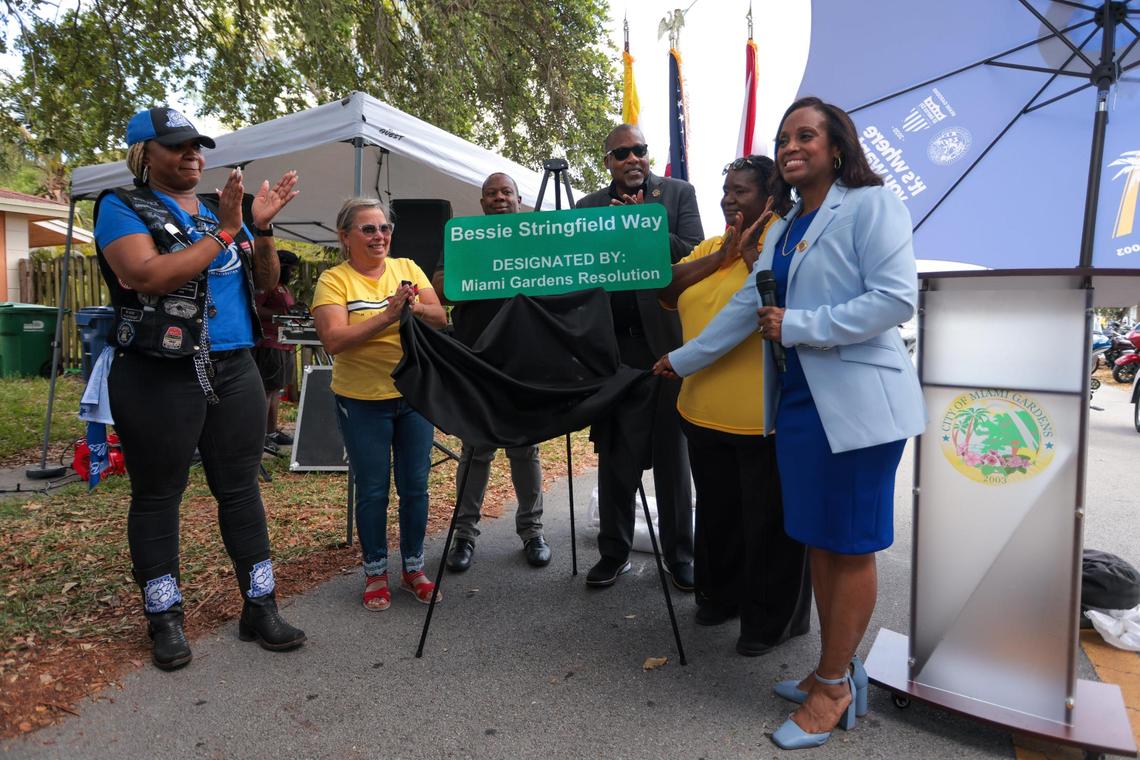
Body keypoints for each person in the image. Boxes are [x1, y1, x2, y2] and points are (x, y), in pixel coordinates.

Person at [655, 97, 925, 749]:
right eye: (784, 138)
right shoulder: (786, 226)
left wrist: (802, 326)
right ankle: (835, 670)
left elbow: (894, 299)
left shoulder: (872, 204)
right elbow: (746, 307)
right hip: (801, 404)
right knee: (820, 542)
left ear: (837, 148)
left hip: (859, 406)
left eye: (806, 135)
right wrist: (681, 360)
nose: (791, 146)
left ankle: (834, 687)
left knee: (848, 543)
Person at [93, 106, 306, 671]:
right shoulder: (122, 206)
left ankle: (260, 606)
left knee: (241, 490)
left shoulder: (218, 209)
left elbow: (265, 283)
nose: (192, 155)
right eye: (177, 146)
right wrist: (230, 230)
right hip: (159, 369)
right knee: (159, 493)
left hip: (233, 365)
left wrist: (259, 231)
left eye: (197, 146)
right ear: (145, 155)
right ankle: (164, 617)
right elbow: (147, 275)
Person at [657, 155, 812, 656]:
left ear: (772, 197)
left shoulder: (787, 244)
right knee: (720, 514)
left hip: (761, 419)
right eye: (726, 189)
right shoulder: (712, 244)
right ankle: (720, 596)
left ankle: (769, 621)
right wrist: (721, 257)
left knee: (767, 524)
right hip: (700, 410)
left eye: (740, 190)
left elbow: (781, 303)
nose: (728, 198)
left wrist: (749, 260)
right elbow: (664, 289)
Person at [575, 123, 704, 590]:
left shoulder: (678, 196)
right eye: (622, 153)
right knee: (615, 453)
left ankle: (679, 554)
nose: (633, 159)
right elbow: (580, 268)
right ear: (608, 161)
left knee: (673, 454)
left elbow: (693, 257)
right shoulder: (588, 207)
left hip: (667, 343)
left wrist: (648, 223)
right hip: (613, 349)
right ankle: (614, 551)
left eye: (640, 151)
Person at [313, 198, 448, 611]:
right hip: (362, 400)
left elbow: (439, 317)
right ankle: (375, 572)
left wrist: (414, 306)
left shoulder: (407, 268)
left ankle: (413, 569)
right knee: (372, 491)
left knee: (415, 487)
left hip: (413, 396)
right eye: (368, 229)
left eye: (385, 228)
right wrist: (388, 316)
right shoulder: (333, 280)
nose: (380, 236)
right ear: (345, 236)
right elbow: (334, 340)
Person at [431, 173, 551, 572]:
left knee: (524, 447)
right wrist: (483, 272)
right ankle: (464, 536)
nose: (499, 198)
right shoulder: (465, 238)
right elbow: (441, 288)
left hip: (523, 358)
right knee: (475, 447)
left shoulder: (535, 239)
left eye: (506, 193)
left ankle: (532, 531)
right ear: (481, 203)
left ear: (519, 200)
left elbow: (557, 283)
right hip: (476, 357)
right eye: (491, 194)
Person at [253, 248, 299, 447]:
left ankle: (271, 431)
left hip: (285, 343)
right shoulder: (267, 286)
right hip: (269, 342)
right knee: (266, 390)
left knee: (276, 390)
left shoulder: (284, 288)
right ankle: (259, 435)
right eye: (291, 270)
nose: (293, 274)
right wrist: (277, 315)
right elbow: (255, 307)